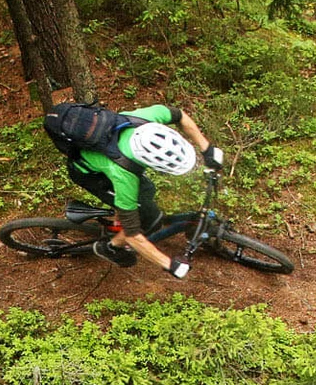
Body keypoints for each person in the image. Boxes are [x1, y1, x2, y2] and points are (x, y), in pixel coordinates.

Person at [56, 103, 224, 276]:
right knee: (150, 219)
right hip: (88, 174)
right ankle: (109, 247)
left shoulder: (147, 118)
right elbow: (132, 235)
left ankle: (116, 220)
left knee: (147, 190)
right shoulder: (124, 175)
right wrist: (169, 264)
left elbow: (180, 115)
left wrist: (207, 149)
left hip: (107, 158)